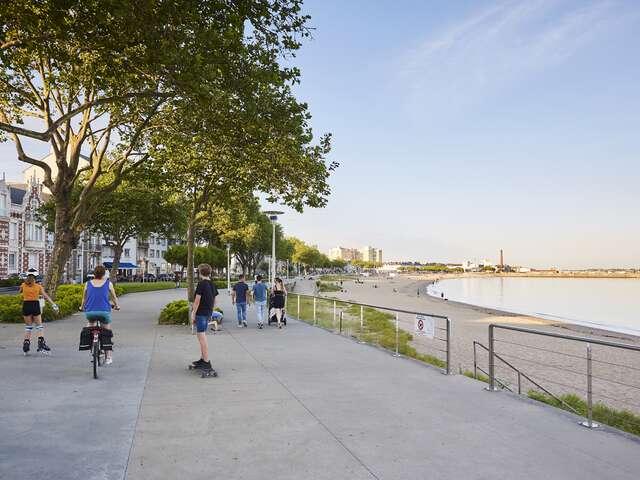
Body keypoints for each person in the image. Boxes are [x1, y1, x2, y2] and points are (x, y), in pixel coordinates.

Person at [82, 265, 120, 365]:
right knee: (106, 332)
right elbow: (114, 298)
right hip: (104, 312)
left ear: (94, 273)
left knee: (89, 326)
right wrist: (117, 306)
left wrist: (82, 307)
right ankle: (109, 357)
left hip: (90, 313)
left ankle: (91, 345)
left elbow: (84, 299)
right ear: (104, 274)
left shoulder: (87, 284)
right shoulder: (109, 284)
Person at [20, 270, 57, 355]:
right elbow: (46, 296)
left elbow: (20, 292)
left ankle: (26, 346)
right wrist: (54, 305)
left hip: (26, 305)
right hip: (35, 305)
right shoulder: (38, 286)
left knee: (28, 327)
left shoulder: (23, 285)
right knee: (39, 327)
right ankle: (41, 345)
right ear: (36, 278)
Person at [190, 264, 218, 369]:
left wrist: (193, 314)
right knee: (201, 336)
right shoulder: (212, 284)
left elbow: (197, 301)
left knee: (202, 338)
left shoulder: (201, 284)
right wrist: (211, 311)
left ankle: (206, 362)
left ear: (200, 273)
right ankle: (202, 359)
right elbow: (215, 300)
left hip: (200, 313)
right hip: (207, 313)